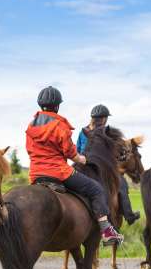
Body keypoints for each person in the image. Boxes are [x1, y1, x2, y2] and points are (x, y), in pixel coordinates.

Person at [26, 86, 124, 246]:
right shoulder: (59, 125)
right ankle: (107, 231)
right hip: (58, 172)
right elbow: (70, 152)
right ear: (57, 106)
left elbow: (30, 150)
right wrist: (82, 160)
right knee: (96, 189)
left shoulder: (31, 126)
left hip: (36, 174)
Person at [76, 104, 141, 225]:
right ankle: (129, 215)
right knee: (122, 184)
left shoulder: (83, 132)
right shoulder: (106, 132)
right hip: (101, 169)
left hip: (83, 167)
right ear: (105, 119)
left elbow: (78, 150)